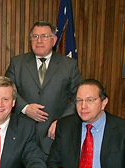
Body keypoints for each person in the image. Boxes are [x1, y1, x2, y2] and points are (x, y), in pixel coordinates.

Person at [5, 21, 83, 158]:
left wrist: (62, 122)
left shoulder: (69, 65)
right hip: (21, 136)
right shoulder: (17, 63)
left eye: (44, 36)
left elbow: (79, 98)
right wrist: (25, 108)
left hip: (53, 137)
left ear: (54, 40)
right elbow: (6, 91)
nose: (39, 41)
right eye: (35, 36)